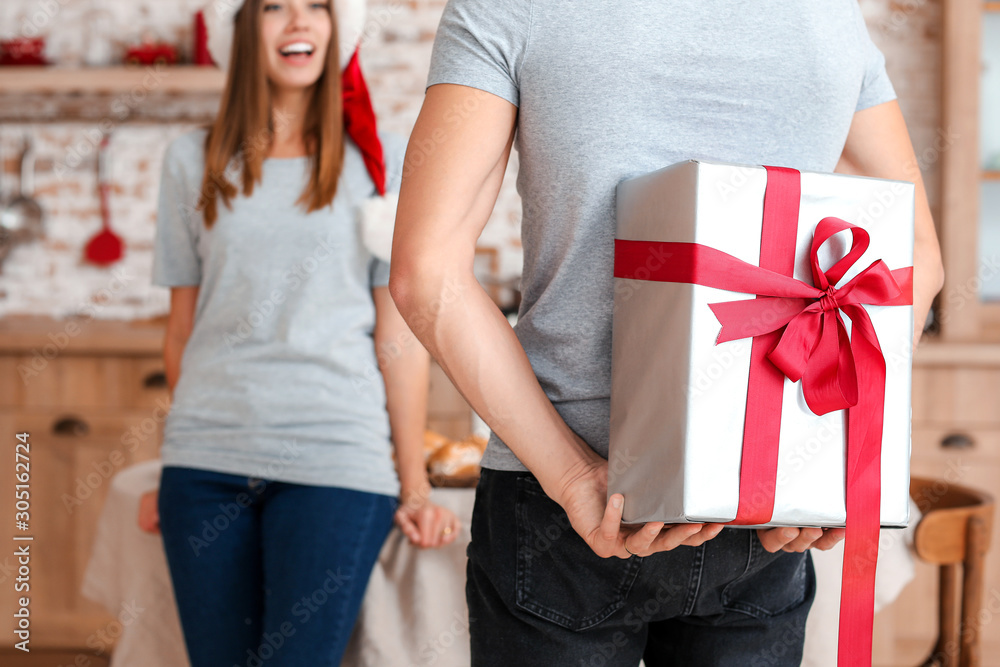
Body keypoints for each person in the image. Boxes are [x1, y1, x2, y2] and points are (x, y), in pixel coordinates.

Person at [389, 1, 945, 665]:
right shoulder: (827, 14)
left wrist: (572, 477)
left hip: (570, 503)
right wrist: (825, 453)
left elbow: (425, 273)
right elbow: (918, 259)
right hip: (760, 498)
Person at [136, 1, 459, 664]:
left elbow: (397, 339)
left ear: (338, 30)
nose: (299, 23)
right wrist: (175, 458)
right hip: (205, 467)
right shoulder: (190, 160)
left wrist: (416, 486)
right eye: (275, 7)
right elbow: (181, 332)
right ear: (243, 30)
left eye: (317, 6)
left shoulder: (379, 159)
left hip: (335, 462)